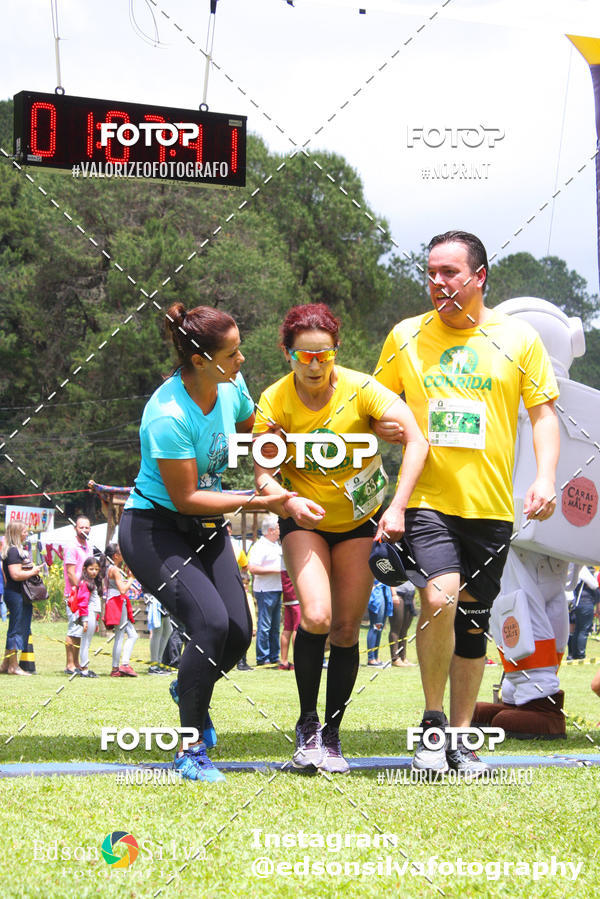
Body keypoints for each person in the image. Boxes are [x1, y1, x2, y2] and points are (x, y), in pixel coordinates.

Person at [374, 230, 560, 774]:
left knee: (474, 621)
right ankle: (432, 725)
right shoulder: (406, 335)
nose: (438, 283)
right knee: (438, 597)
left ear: (479, 277)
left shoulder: (519, 338)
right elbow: (377, 406)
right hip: (428, 499)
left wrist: (545, 477)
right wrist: (390, 428)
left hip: (491, 507)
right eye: (430, 272)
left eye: (449, 272)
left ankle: (460, 740)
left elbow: (544, 413)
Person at [119, 303, 294, 783]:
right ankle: (189, 751)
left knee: (237, 633)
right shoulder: (167, 414)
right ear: (200, 360)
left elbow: (253, 432)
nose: (242, 362)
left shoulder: (230, 386)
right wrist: (262, 500)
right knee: (210, 623)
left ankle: (187, 685)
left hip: (204, 526)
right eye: (233, 353)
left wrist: (284, 447)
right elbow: (188, 496)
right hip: (156, 528)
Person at [253, 302, 428, 773]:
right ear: (287, 353)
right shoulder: (273, 400)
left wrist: (397, 508)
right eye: (303, 357)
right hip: (303, 520)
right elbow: (263, 478)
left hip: (360, 522)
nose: (314, 366)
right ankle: (306, 726)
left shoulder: (361, 389)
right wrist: (286, 501)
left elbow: (417, 439)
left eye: (323, 356)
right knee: (316, 616)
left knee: (347, 629)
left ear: (336, 352)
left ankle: (332, 733)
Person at [0, 522, 41, 675]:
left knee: (16, 628)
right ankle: (14, 666)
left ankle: (5, 663)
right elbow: (15, 575)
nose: (26, 534)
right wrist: (34, 571)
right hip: (16, 594)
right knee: (17, 629)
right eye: (24, 531)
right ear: (16, 534)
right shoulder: (13, 552)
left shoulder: (15, 551)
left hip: (18, 594)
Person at [248, 516, 283, 667]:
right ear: (270, 530)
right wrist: (276, 570)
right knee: (265, 625)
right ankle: (263, 657)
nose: (279, 531)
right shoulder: (259, 546)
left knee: (275, 626)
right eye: (278, 529)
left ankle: (274, 655)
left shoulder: (276, 545)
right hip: (265, 590)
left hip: (277, 589)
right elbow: (253, 568)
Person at [63, 516, 92, 675]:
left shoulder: (88, 546)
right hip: (74, 595)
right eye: (81, 527)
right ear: (76, 528)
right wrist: (80, 591)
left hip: (85, 595)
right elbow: (71, 573)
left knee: (80, 629)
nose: (84, 530)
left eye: (87, 527)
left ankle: (77, 662)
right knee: (73, 629)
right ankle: (69, 664)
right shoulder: (71, 546)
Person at [104, 543, 139, 677]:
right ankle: (119, 667)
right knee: (120, 636)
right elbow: (123, 590)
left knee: (132, 635)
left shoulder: (112, 568)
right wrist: (131, 579)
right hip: (117, 602)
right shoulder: (115, 570)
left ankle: (121, 665)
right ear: (116, 556)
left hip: (117, 602)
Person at [74, 556, 103, 677]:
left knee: (87, 642)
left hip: (93, 615)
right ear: (85, 569)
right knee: (85, 642)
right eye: (91, 569)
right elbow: (83, 602)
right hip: (88, 614)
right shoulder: (85, 584)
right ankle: (84, 669)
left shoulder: (93, 583)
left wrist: (95, 621)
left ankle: (84, 667)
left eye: (96, 569)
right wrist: (85, 620)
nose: (94, 572)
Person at [568, 566, 600, 660]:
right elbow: (594, 584)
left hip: (577, 603)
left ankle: (574, 654)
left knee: (577, 629)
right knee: (583, 630)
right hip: (585, 603)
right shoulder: (582, 568)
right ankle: (580, 654)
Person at [389, 581, 417, 667]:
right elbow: (390, 577)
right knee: (396, 628)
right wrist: (393, 594)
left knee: (404, 629)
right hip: (398, 594)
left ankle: (403, 657)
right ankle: (395, 658)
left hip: (410, 595)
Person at [366, 580, 394, 666]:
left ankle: (376, 656)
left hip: (384, 590)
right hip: (376, 592)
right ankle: (371, 658)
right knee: (375, 626)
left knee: (379, 627)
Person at [279, 569, 300, 670]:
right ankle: (298, 661)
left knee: (287, 629)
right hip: (296, 595)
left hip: (287, 594)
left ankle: (283, 661)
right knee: (297, 629)